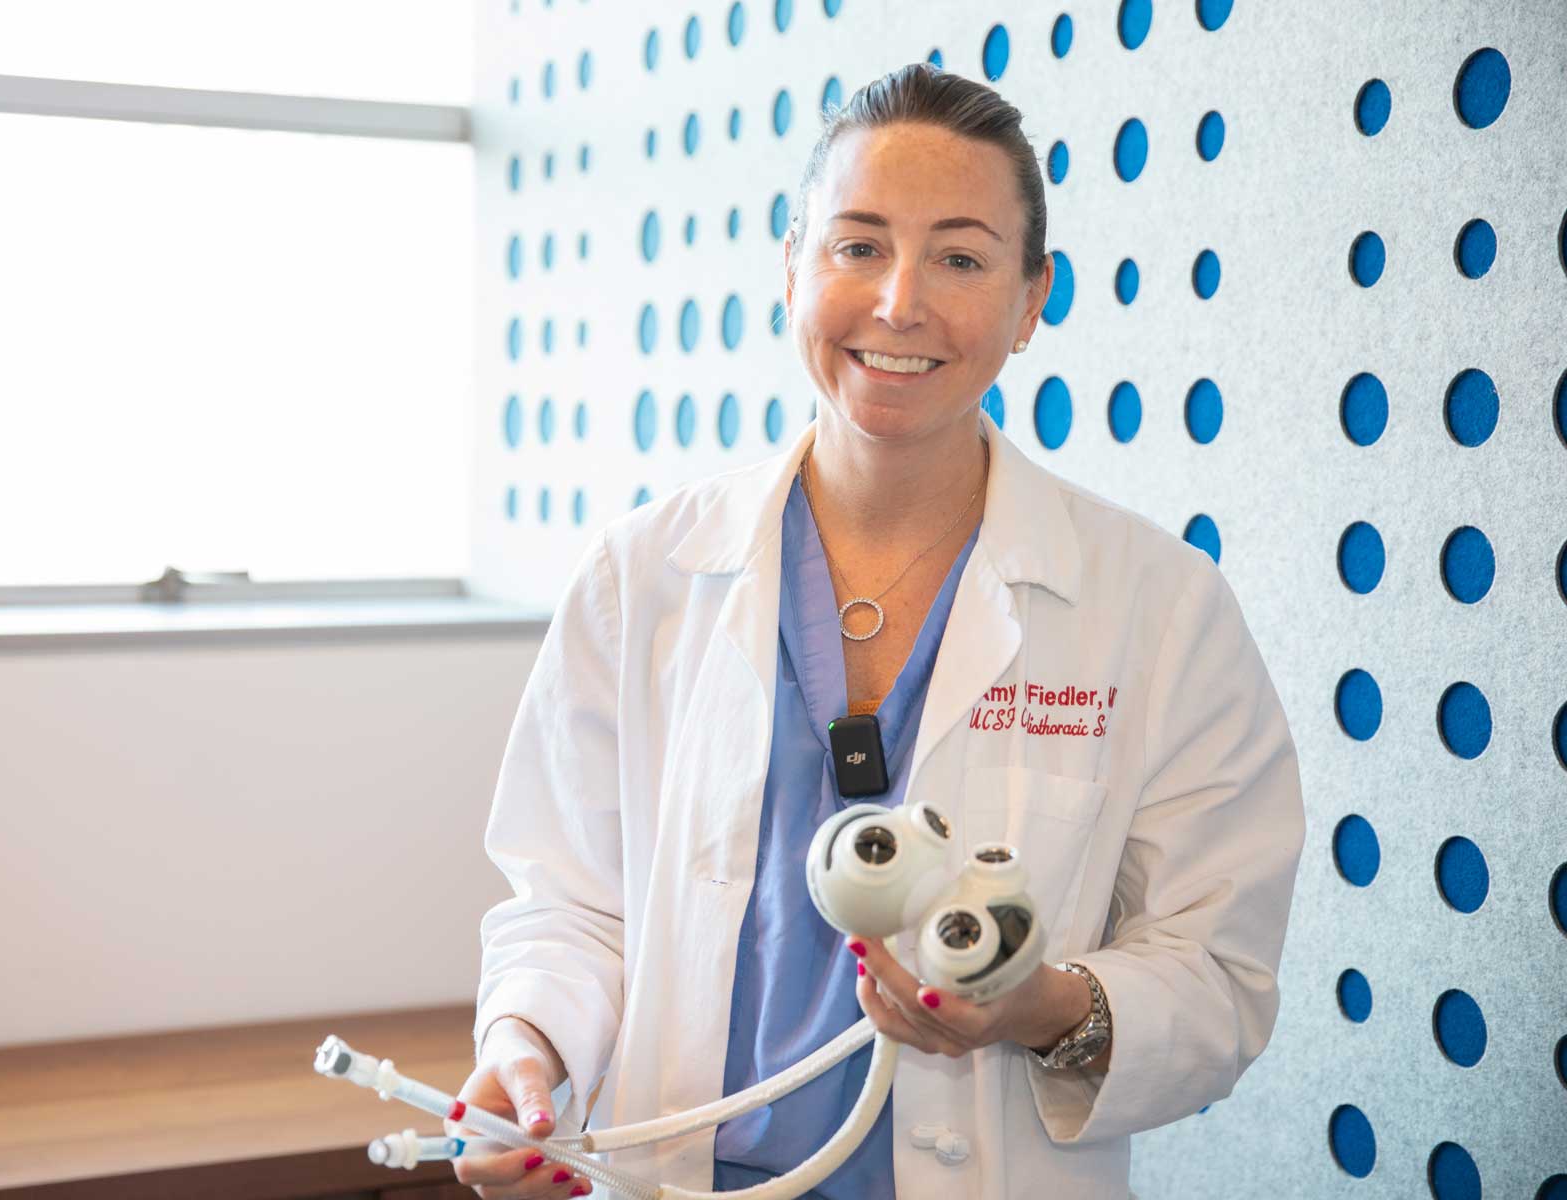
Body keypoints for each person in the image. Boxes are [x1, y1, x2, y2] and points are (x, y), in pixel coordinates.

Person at [453, 63, 1305, 1200]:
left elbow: (1218, 977)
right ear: (792, 269)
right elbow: (567, 902)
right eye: (857, 245)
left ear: (1030, 299)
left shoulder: (1159, 608)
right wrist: (528, 1054)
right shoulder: (644, 576)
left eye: (959, 257)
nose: (900, 301)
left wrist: (1040, 1004)